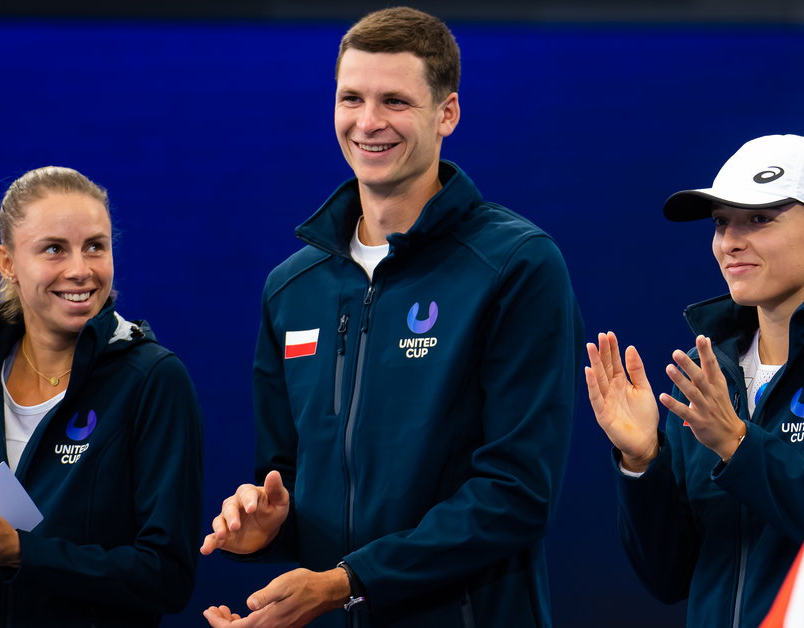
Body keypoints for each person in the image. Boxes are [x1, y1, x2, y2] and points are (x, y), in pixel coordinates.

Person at [200, 7, 582, 627]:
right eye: (351, 98)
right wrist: (268, 525)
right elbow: (291, 478)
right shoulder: (291, 287)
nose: (368, 122)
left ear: (447, 113)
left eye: (395, 102)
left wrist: (349, 581)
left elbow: (516, 495)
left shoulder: (515, 264)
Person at [585, 134, 804, 627]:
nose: (730, 241)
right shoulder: (708, 373)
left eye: (759, 219)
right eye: (722, 223)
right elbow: (669, 577)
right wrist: (643, 462)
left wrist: (739, 445)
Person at [0, 166, 204, 627]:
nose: (80, 270)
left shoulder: (153, 379)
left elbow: (167, 576)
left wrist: (24, 553)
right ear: (7, 263)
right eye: (54, 249)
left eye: (95, 246)